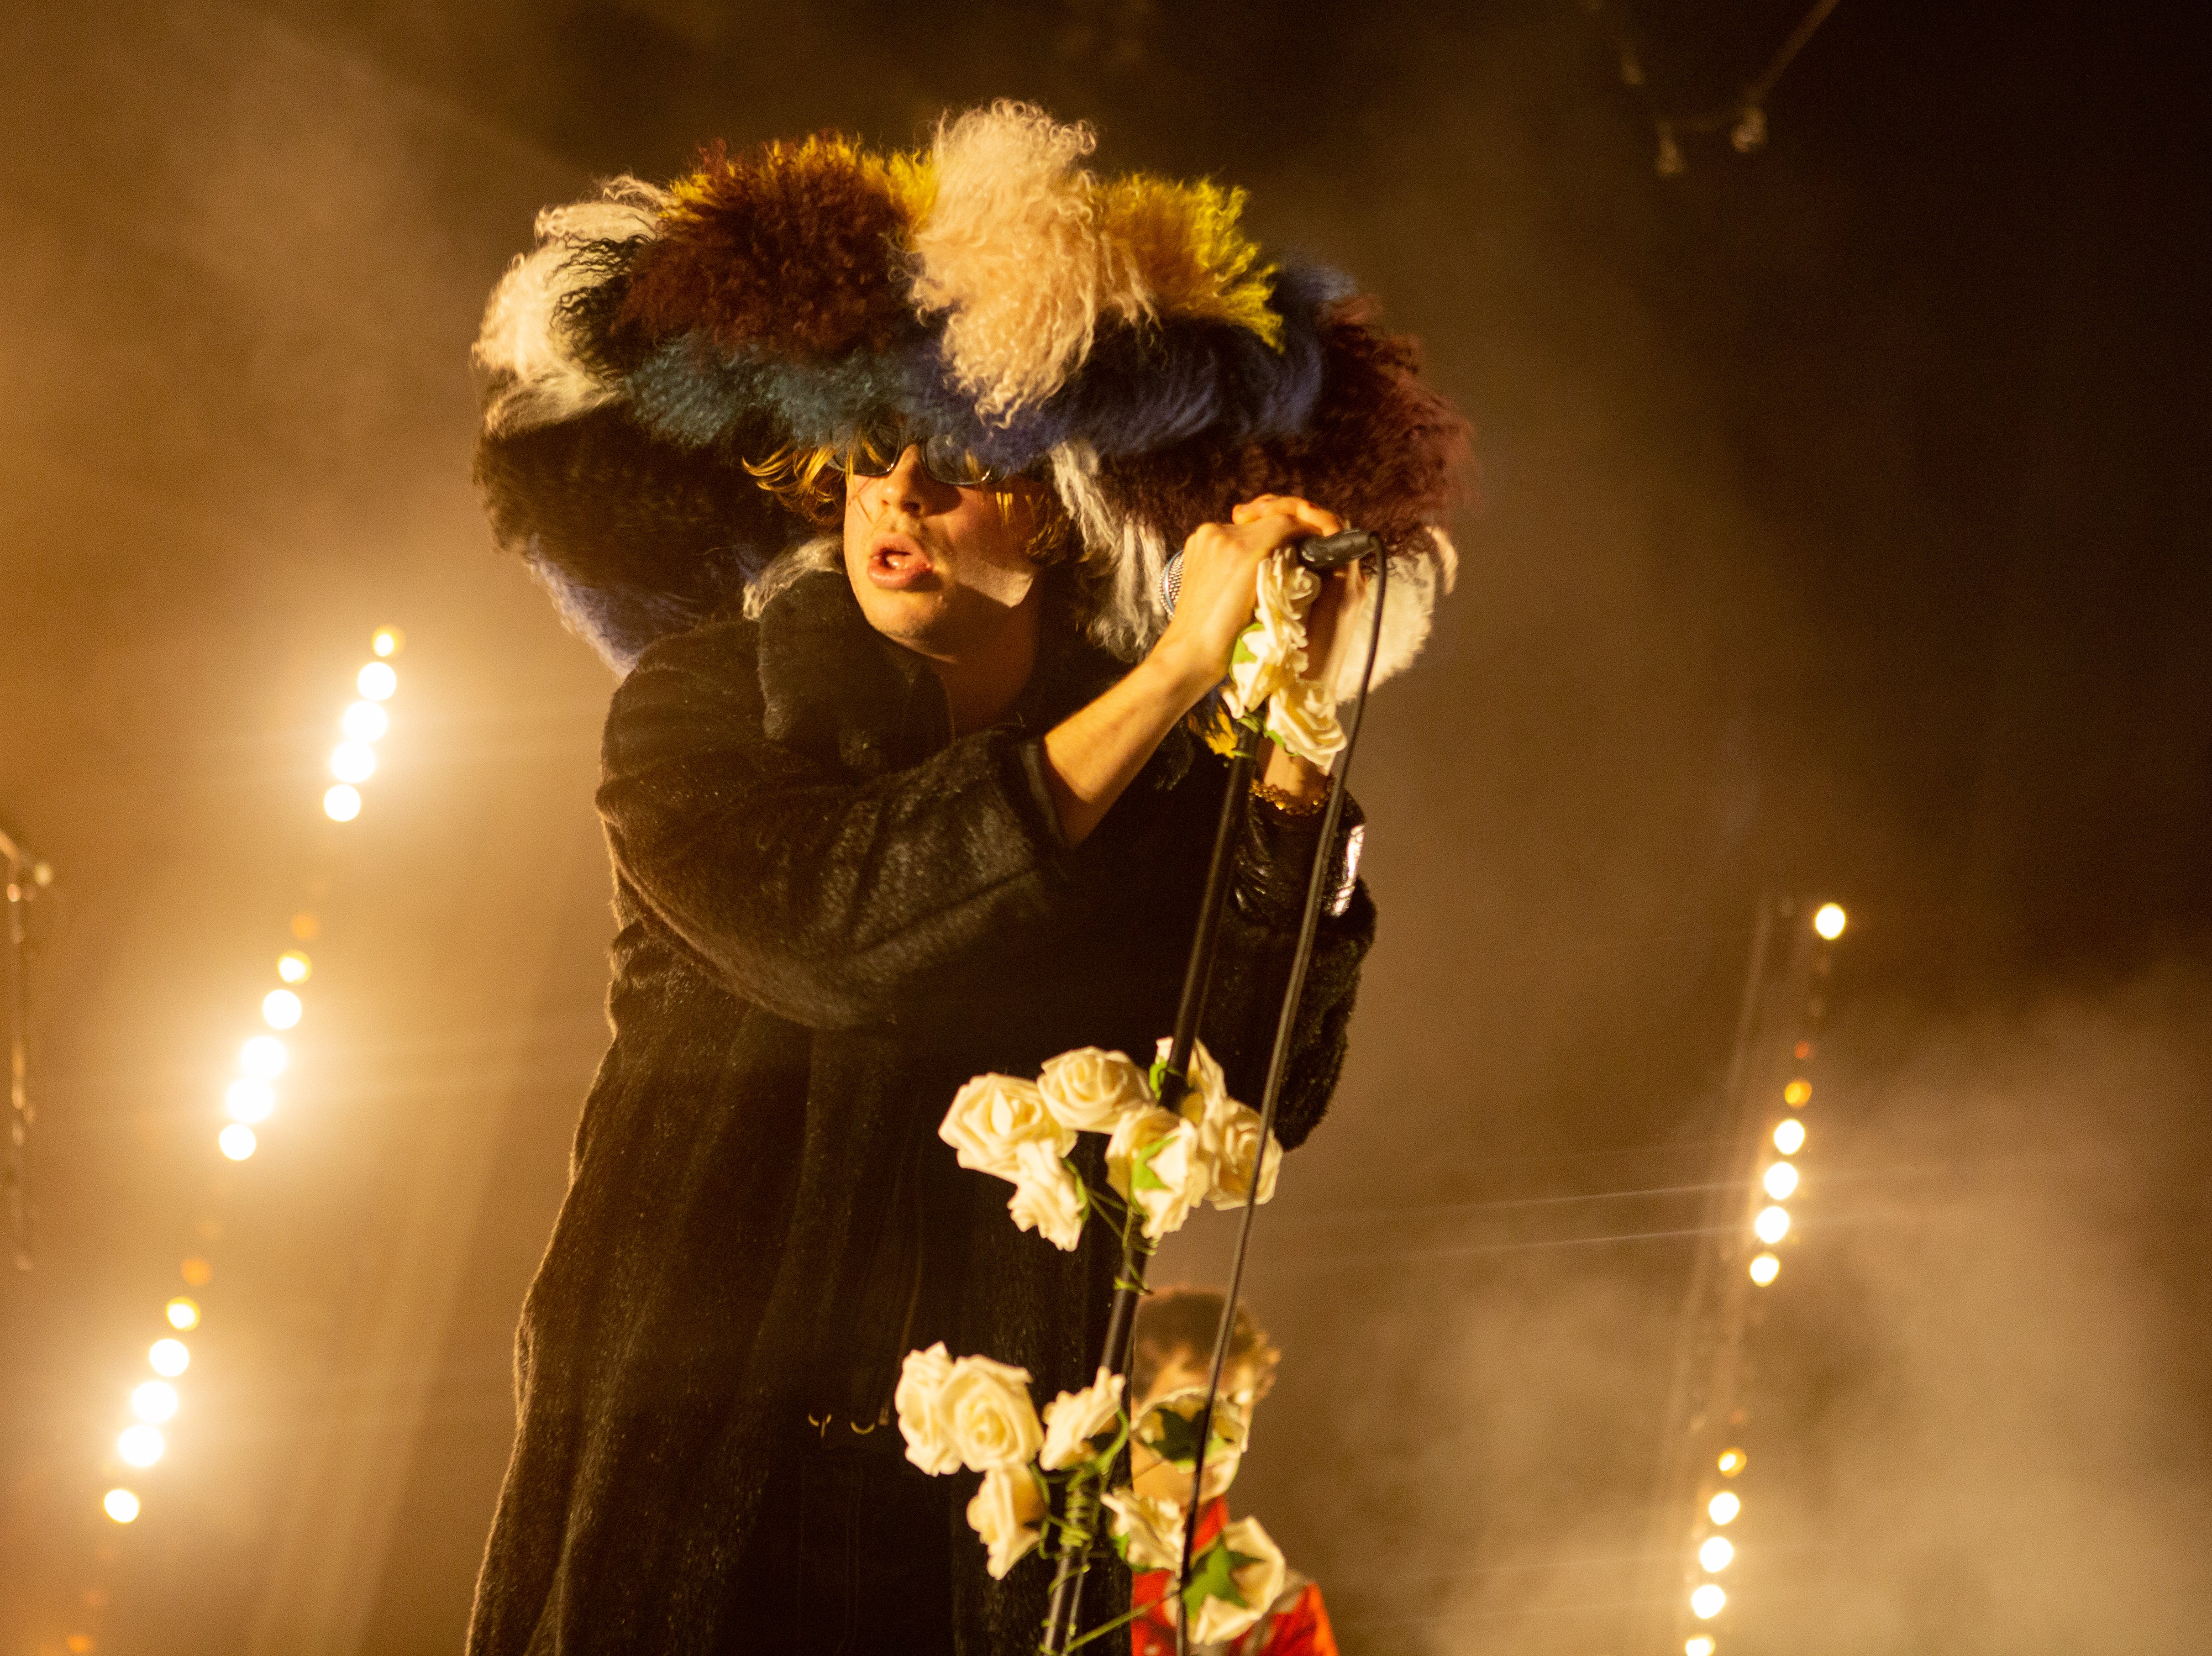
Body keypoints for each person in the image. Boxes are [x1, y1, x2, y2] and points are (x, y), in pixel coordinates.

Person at [460, 102, 1466, 1656]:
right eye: (866, 460)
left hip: (964, 1543)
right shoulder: (702, 706)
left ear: (1064, 520)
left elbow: (1263, 1086)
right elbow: (843, 934)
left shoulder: (1162, 796)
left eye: (957, 462)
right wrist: (1185, 666)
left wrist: (1291, 752)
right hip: (686, 1501)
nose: (900, 496)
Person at [1125, 1291, 1339, 1656]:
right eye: (1191, 1400)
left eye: (1236, 1405)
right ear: (1130, 1405)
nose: (1218, 1430)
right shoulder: (1058, 1550)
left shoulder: (1282, 1605)